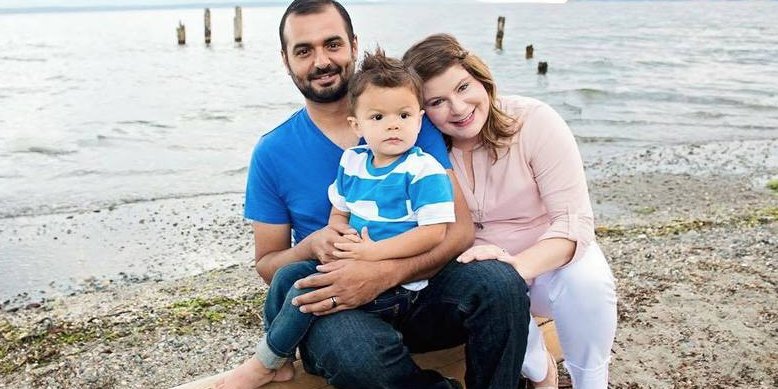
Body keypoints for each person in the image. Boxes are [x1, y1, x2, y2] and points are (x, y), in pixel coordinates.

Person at [232, 1, 531, 388]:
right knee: (355, 352)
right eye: (304, 50)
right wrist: (312, 245)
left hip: (422, 291)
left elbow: (458, 232)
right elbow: (268, 266)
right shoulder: (272, 152)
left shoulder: (405, 121)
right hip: (340, 308)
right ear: (286, 60)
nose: (321, 60)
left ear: (353, 46)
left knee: (500, 283)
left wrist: (383, 271)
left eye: (333, 44)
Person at [217, 48, 456, 389]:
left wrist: (372, 255)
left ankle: (262, 363)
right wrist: (335, 236)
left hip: (397, 284)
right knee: (289, 277)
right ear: (356, 125)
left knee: (309, 294)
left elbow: (434, 233)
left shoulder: (423, 170)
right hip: (352, 258)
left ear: (419, 119)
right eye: (378, 118)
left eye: (404, 116)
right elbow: (339, 211)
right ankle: (279, 359)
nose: (393, 125)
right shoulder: (353, 162)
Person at [403, 33, 618, 389]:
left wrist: (516, 268)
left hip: (548, 264)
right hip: (478, 275)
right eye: (438, 101)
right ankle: (539, 370)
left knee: (589, 281)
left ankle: (592, 382)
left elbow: (574, 222)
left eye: (463, 87)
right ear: (423, 113)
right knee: (493, 294)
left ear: (482, 79)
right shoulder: (424, 152)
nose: (457, 108)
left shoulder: (534, 121)